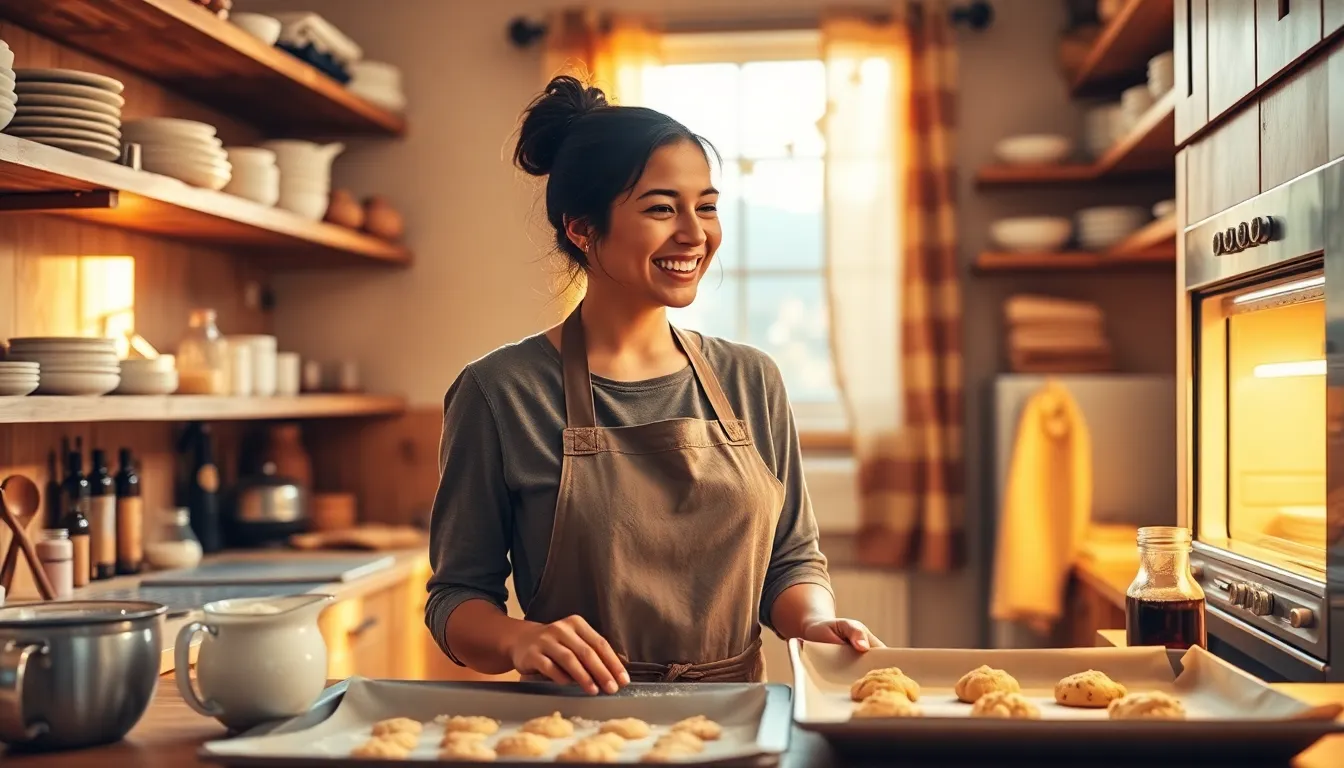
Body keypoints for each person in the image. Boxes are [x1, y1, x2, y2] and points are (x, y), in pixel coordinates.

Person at [425, 75, 882, 694]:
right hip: (575, 726)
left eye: (708, 206)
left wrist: (817, 625)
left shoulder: (751, 379)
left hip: (736, 718)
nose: (695, 233)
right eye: (662, 208)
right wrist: (520, 639)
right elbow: (455, 599)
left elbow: (791, 562)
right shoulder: (499, 392)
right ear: (583, 229)